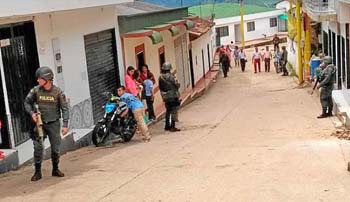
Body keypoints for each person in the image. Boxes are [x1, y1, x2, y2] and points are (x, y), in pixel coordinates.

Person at [24, 66, 70, 181]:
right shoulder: (35, 90)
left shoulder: (58, 92)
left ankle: (55, 169)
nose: (38, 81)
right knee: (38, 147)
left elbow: (65, 108)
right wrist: (32, 113)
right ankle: (37, 172)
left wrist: (65, 125)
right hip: (40, 124)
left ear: (47, 79)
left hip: (53, 124)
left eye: (40, 78)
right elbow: (27, 103)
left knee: (55, 149)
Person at [159, 63, 181, 132]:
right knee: (174, 110)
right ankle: (172, 126)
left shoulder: (160, 77)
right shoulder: (171, 76)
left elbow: (160, 87)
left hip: (165, 96)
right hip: (173, 95)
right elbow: (176, 84)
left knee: (168, 111)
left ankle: (167, 125)